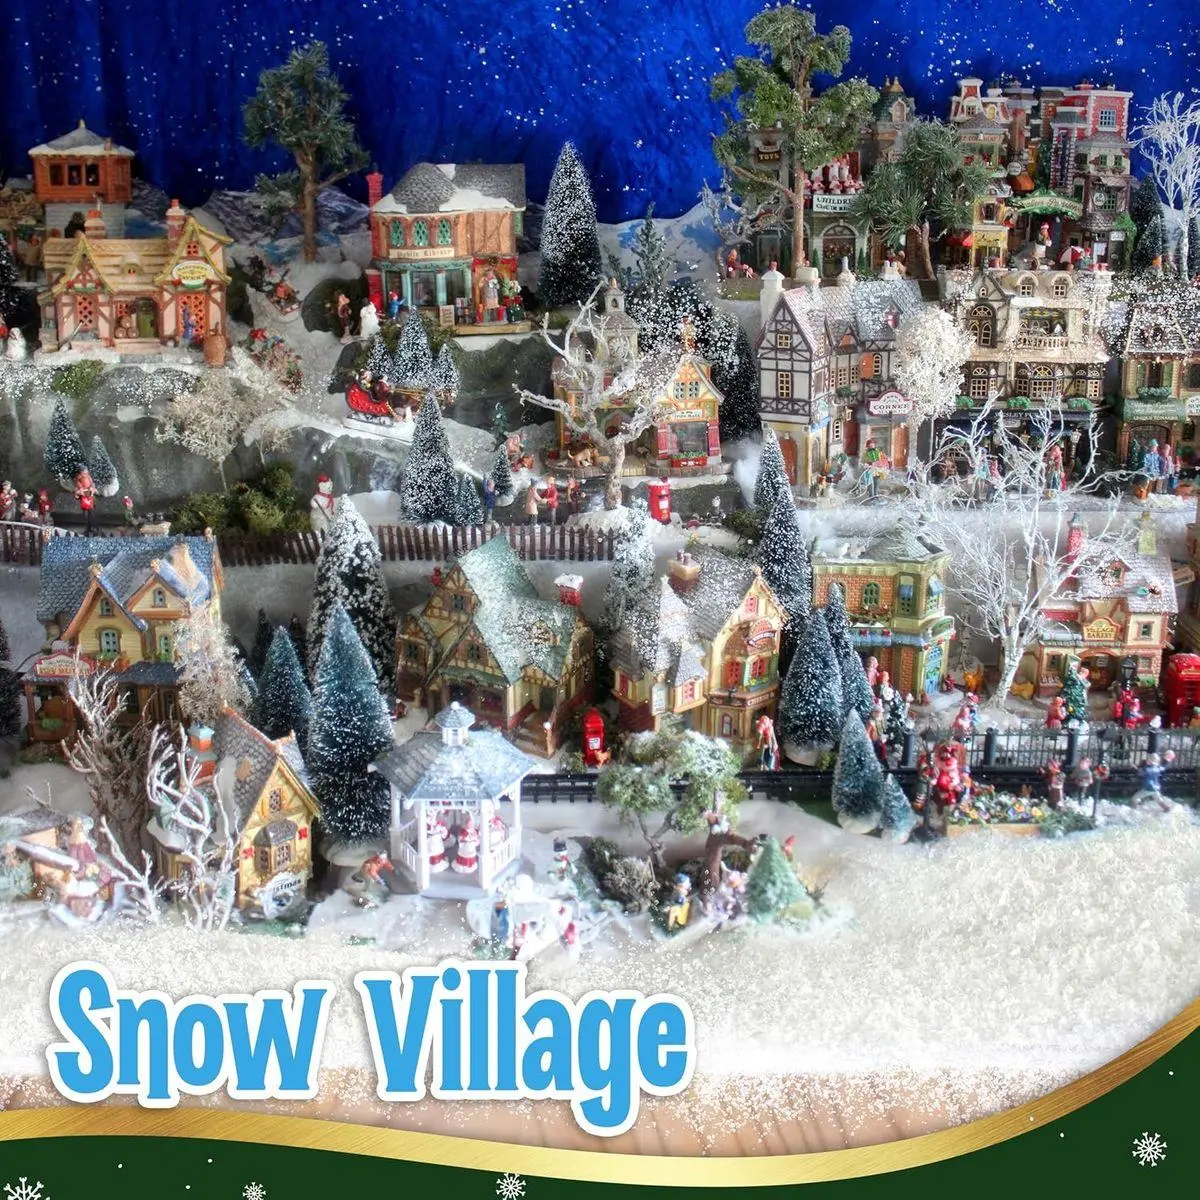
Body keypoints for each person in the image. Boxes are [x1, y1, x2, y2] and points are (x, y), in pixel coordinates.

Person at [75, 469, 96, 534]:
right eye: (82, 473)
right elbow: (77, 496)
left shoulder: (89, 480)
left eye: (85, 473)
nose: (84, 475)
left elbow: (93, 490)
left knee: (92, 516)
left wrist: (91, 491)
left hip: (91, 503)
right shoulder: (79, 482)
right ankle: (87, 529)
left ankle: (94, 529)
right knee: (86, 517)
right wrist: (78, 494)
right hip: (84, 504)